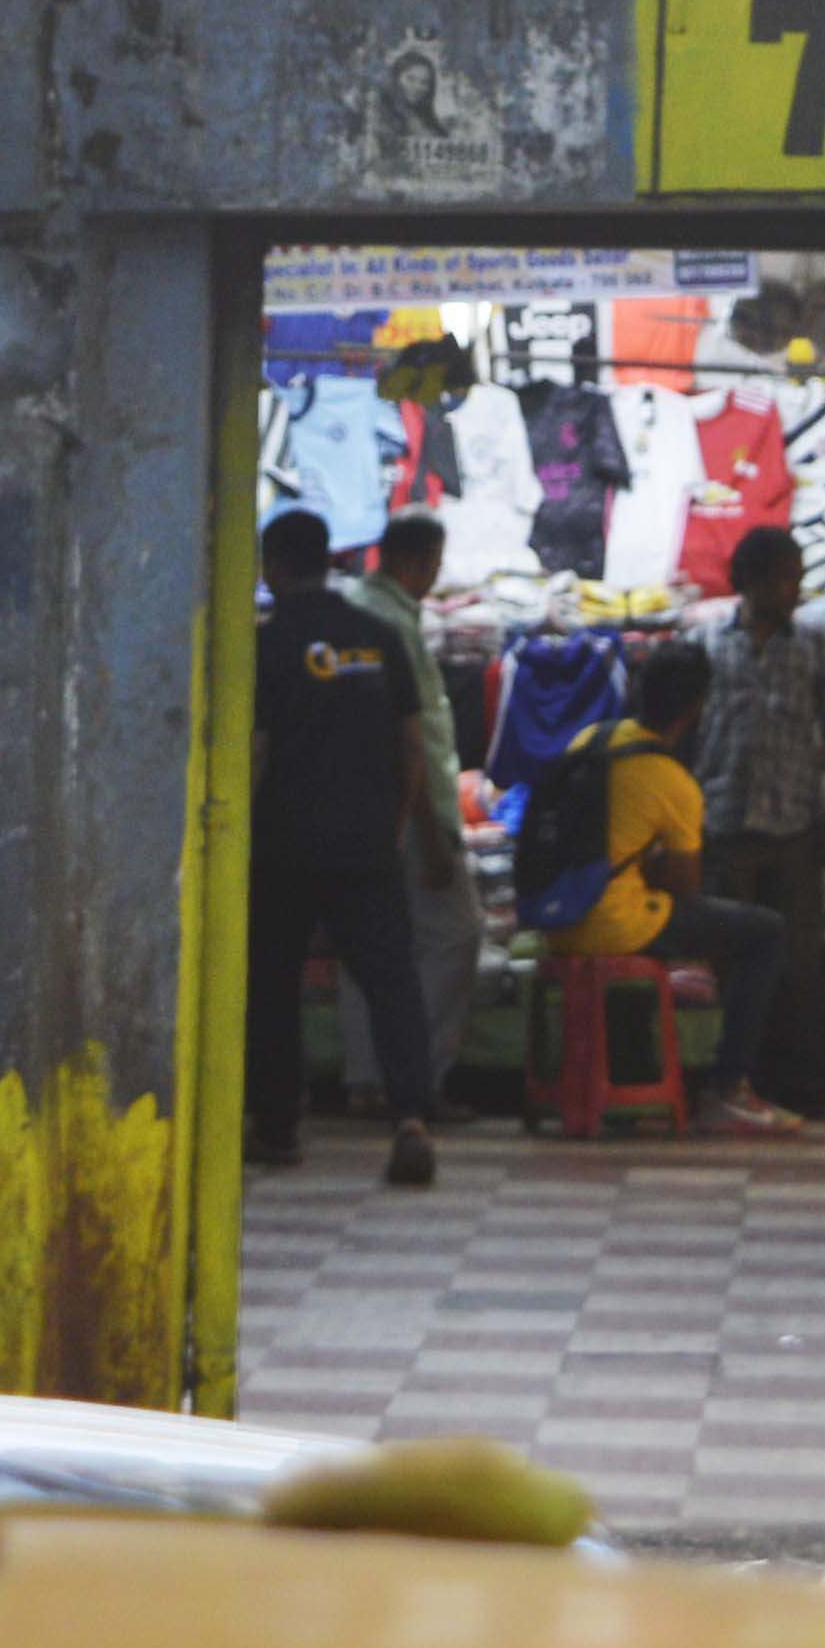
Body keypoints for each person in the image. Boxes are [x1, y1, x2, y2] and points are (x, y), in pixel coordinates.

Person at [528, 638, 801, 1135]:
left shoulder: (590, 739)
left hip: (557, 921)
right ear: (697, 708)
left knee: (654, 913)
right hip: (613, 926)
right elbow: (686, 887)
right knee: (764, 932)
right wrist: (649, 867)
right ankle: (728, 1086)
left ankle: (632, 1074)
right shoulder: (672, 782)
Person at [249, 507, 439, 1183]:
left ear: (271, 567)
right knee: (391, 982)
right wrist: (393, 824)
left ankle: (276, 1126)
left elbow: (259, 751)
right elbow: (412, 742)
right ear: (329, 557)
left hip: (285, 844)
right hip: (366, 839)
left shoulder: (266, 646)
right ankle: (412, 1117)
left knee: (273, 983)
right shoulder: (379, 635)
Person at [692, 523, 825, 1109]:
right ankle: (733, 1080)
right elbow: (690, 732)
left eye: (798, 577)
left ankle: (804, 1087)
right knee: (728, 960)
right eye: (783, 577)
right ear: (750, 582)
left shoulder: (815, 646)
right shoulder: (709, 642)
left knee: (799, 963)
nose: (794, 588)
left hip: (794, 828)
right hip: (723, 823)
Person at [342, 512, 480, 1120]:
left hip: (356, 811)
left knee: (368, 946)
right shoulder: (394, 622)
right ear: (421, 562)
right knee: (455, 933)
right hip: (406, 811)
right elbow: (412, 740)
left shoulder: (354, 607)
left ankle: (367, 1079)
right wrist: (429, 830)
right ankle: (416, 1081)